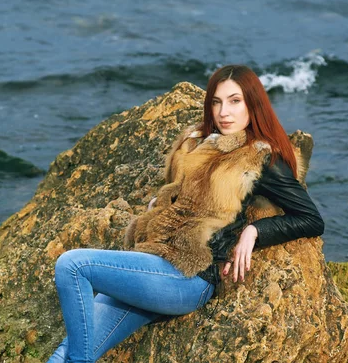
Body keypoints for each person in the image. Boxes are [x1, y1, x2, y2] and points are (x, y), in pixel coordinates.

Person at [47, 65, 324, 363]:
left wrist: (254, 232)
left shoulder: (260, 157)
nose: (223, 112)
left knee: (72, 265)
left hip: (189, 277)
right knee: (68, 351)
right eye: (216, 102)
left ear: (252, 105)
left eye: (235, 101)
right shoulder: (197, 142)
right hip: (153, 264)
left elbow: (311, 219)